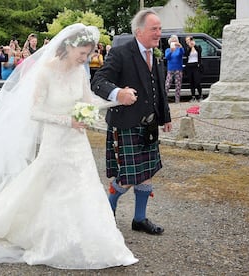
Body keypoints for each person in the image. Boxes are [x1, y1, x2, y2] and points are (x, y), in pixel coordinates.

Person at [0, 23, 138, 269]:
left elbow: (88, 101)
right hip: (55, 140)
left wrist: (117, 99)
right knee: (50, 188)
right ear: (69, 47)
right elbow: (35, 112)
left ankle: (96, 241)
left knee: (85, 186)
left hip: (77, 142)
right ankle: (48, 239)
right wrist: (67, 121)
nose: (85, 59)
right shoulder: (45, 72)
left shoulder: (80, 72)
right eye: (82, 54)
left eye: (88, 55)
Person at [91, 9, 172, 235]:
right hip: (125, 123)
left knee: (147, 172)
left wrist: (165, 117)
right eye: (154, 29)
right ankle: (107, 209)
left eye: (160, 29)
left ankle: (139, 219)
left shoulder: (155, 55)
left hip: (149, 126)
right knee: (128, 176)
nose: (159, 33)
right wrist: (118, 93)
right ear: (139, 31)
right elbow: (98, 81)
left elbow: (159, 91)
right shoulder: (120, 52)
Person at [164, 34, 184, 103]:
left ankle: (177, 100)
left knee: (178, 85)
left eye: (175, 41)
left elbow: (182, 53)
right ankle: (164, 99)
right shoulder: (168, 50)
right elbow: (167, 57)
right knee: (167, 84)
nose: (173, 43)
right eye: (172, 41)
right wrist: (171, 51)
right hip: (170, 69)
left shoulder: (179, 49)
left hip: (178, 69)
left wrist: (180, 46)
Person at [185, 36, 203, 102]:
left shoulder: (198, 47)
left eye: (189, 40)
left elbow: (200, 53)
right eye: (187, 41)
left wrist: (194, 46)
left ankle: (200, 95)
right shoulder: (187, 48)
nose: (188, 41)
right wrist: (190, 47)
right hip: (189, 66)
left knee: (197, 81)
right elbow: (186, 54)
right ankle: (193, 96)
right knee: (191, 82)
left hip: (196, 66)